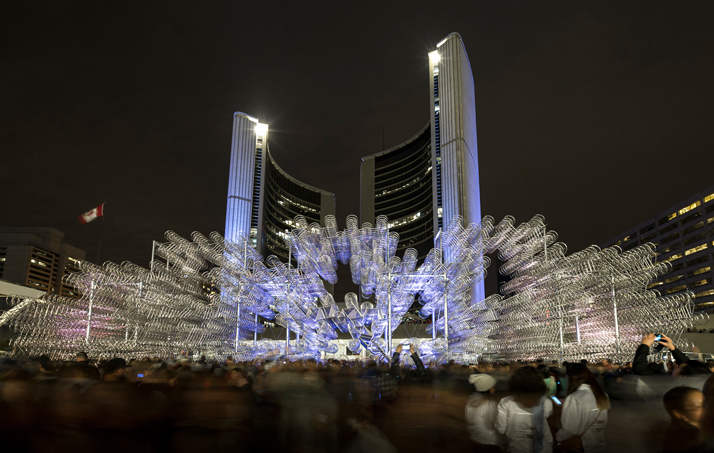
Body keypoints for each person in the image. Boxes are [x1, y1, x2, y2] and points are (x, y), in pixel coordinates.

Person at [496, 366, 553, 453]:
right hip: (543, 447)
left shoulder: (505, 402)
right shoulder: (546, 402)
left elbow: (501, 428)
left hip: (517, 447)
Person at [555, 363, 609, 453]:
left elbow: (569, 430)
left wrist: (557, 437)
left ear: (570, 378)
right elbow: (602, 422)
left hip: (581, 447)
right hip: (599, 443)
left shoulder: (574, 398)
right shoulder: (603, 395)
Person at [465, 373, 505, 452]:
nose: (494, 389)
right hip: (490, 442)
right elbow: (495, 425)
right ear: (487, 388)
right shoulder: (490, 405)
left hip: (475, 439)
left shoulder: (470, 401)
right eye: (492, 387)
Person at [661, 386, 704, 452]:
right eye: (699, 406)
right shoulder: (689, 442)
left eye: (706, 403)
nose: (708, 408)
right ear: (680, 414)